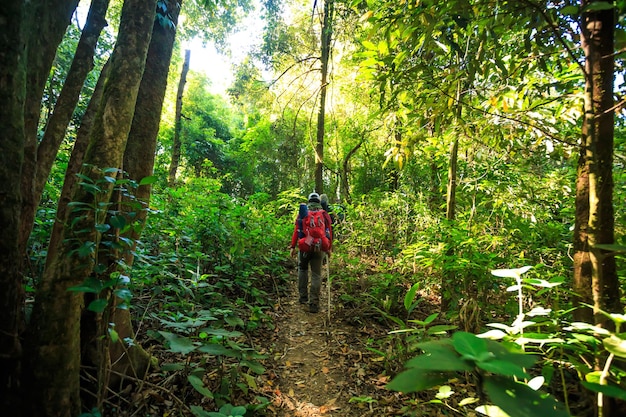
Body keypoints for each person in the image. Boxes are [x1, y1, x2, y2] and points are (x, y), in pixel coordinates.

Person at [289, 192, 333, 313]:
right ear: (319, 202)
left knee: (302, 270)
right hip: (319, 247)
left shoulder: (303, 213)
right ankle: (314, 303)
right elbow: (329, 232)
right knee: (316, 275)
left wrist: (293, 247)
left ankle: (303, 298)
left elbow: (297, 231)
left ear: (309, 201)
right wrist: (329, 248)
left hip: (305, 246)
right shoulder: (324, 214)